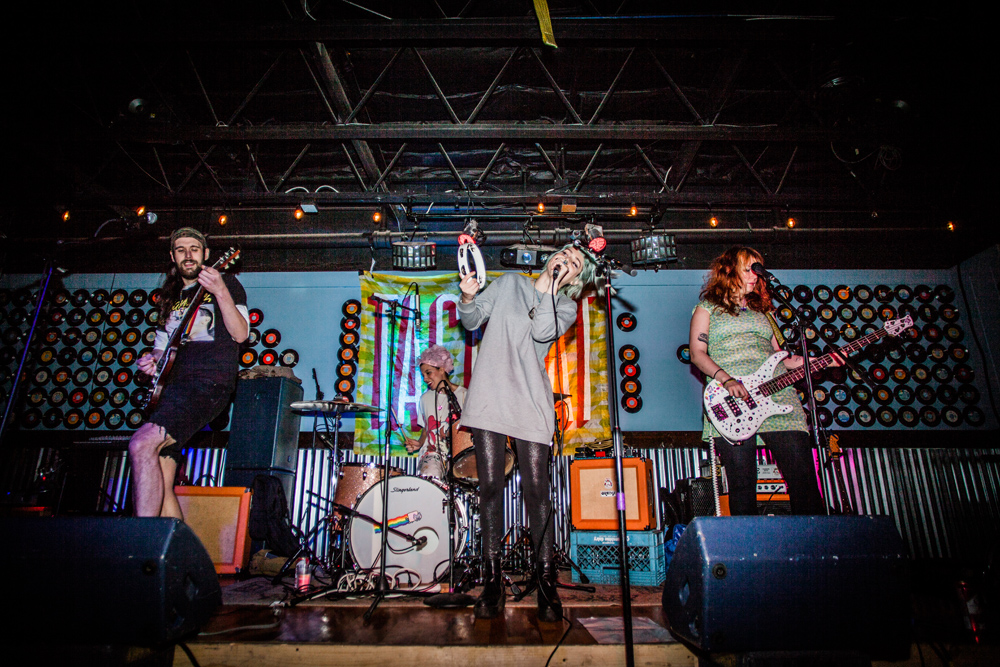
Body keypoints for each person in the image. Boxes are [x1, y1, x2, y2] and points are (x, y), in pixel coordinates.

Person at [458, 243, 597, 622]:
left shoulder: (565, 306)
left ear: (576, 278)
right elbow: (471, 320)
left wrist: (550, 289)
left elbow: (542, 330)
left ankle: (546, 580)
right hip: (489, 395)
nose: (565, 260)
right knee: (490, 487)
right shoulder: (509, 283)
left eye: (574, 263)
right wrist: (468, 297)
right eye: (564, 253)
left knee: (537, 491)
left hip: (531, 400)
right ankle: (492, 581)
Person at [688, 246, 832, 517]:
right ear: (728, 270)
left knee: (804, 481)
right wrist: (726, 379)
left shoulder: (765, 312)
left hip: (779, 395)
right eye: (748, 269)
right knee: (742, 486)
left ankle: (816, 540)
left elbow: (782, 357)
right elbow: (697, 353)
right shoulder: (707, 309)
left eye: (758, 269)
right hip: (732, 399)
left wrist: (820, 361)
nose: (755, 275)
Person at [128, 227, 249, 518]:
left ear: (205, 254)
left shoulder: (227, 283)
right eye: (181, 250)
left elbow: (241, 334)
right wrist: (151, 361)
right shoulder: (169, 297)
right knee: (162, 475)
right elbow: (161, 349)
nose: (188, 255)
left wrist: (220, 291)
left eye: (194, 249)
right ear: (173, 257)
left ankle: (141, 537)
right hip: (172, 391)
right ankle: (175, 547)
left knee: (141, 443)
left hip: (208, 383)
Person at [404, 345, 467, 479]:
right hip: (432, 454)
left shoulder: (464, 395)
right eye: (423, 375)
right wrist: (419, 443)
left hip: (458, 455)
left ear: (442, 369)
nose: (425, 378)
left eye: (428, 373)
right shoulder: (425, 399)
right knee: (431, 473)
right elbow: (426, 431)